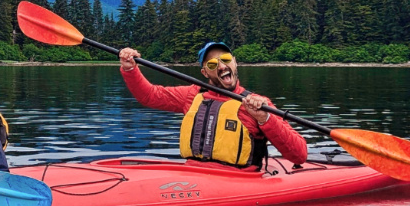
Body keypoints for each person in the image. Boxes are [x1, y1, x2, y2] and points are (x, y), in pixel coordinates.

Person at [118, 41, 308, 167]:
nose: (222, 66)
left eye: (225, 60)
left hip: (240, 182)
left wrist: (264, 118)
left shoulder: (258, 104)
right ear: (205, 73)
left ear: (235, 62)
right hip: (194, 175)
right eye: (212, 64)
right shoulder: (192, 95)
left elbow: (299, 155)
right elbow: (150, 96)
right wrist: (130, 69)